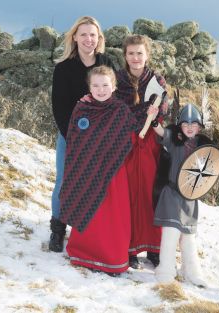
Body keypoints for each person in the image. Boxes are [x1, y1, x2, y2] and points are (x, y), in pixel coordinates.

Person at [60, 65, 139, 275]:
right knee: (88, 211)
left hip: (112, 174)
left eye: (105, 85)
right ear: (89, 87)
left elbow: (129, 140)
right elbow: (75, 141)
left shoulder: (120, 110)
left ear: (113, 86)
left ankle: (111, 258)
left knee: (112, 217)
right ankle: (84, 254)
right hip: (86, 172)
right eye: (96, 85)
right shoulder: (82, 108)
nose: (101, 89)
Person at [49, 16, 114, 252]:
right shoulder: (64, 68)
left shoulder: (106, 63)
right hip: (71, 137)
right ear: (74, 37)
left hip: (100, 138)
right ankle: (57, 229)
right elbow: (59, 106)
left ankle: (87, 230)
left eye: (93, 35)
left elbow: (114, 99)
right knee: (64, 182)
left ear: (99, 39)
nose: (88, 39)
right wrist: (74, 138)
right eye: (84, 34)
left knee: (95, 184)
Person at [115, 35, 167, 269]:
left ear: (147, 55)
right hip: (125, 142)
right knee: (128, 196)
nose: (135, 58)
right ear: (125, 55)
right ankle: (130, 247)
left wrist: (154, 116)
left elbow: (164, 113)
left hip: (149, 145)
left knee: (150, 194)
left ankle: (155, 248)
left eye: (139, 53)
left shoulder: (157, 81)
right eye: (131, 53)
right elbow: (113, 110)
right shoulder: (116, 80)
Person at [148, 103, 211, 287]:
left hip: (190, 197)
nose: (190, 127)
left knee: (189, 235)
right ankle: (165, 270)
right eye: (185, 124)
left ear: (199, 126)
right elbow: (161, 132)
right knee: (171, 232)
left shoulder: (202, 145)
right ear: (179, 126)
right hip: (172, 194)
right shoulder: (174, 140)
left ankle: (191, 271)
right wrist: (153, 120)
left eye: (194, 124)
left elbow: (209, 168)